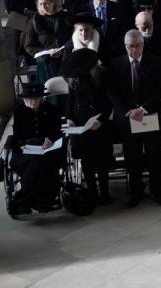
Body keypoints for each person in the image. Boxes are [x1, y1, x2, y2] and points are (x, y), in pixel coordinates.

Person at [108, 29, 161, 207]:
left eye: (137, 46)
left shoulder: (155, 61)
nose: (134, 50)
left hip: (149, 116)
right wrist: (128, 111)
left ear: (143, 44)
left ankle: (158, 190)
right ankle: (136, 191)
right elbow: (112, 92)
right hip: (128, 119)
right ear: (125, 46)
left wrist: (142, 109)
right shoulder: (116, 64)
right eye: (130, 47)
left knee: (154, 156)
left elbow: (160, 89)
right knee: (132, 157)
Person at [61, 48, 112, 206]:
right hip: (80, 126)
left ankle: (104, 193)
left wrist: (101, 120)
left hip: (98, 124)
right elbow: (70, 100)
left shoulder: (101, 76)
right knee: (87, 163)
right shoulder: (73, 80)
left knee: (102, 163)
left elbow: (109, 103)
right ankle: (92, 192)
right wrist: (69, 118)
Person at [7, 83, 65, 215]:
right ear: (25, 99)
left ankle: (24, 201)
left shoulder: (52, 109)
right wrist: (23, 143)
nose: (33, 102)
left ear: (42, 98)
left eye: (36, 98)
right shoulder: (19, 111)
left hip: (49, 150)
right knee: (37, 162)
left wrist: (50, 140)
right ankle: (41, 201)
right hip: (25, 152)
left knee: (42, 162)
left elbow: (57, 132)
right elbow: (17, 135)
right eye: (30, 99)